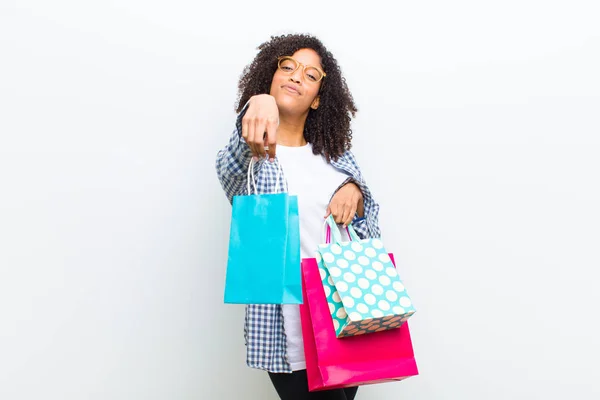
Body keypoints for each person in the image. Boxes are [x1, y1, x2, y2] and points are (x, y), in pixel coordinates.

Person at [216, 33, 381, 400]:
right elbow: (228, 168)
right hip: (288, 322)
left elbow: (367, 221)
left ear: (319, 97)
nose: (295, 76)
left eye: (310, 75)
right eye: (287, 66)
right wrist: (257, 103)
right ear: (270, 77)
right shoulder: (253, 156)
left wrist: (353, 191)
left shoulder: (335, 157)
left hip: (345, 310)